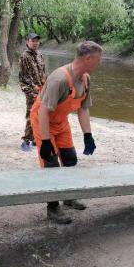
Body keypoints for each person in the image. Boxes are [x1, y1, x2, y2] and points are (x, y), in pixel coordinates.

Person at [30, 41, 102, 224]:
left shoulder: (85, 79)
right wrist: (45, 142)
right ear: (88, 58)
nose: (100, 63)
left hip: (61, 122)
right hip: (42, 121)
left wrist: (88, 135)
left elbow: (83, 109)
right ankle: (53, 208)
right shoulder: (59, 79)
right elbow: (43, 112)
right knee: (51, 165)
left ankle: (68, 196)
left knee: (70, 159)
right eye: (98, 59)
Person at [19, 33, 46, 152]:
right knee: (31, 113)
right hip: (30, 89)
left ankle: (35, 138)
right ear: (28, 42)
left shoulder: (40, 55)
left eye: (37, 41)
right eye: (33, 41)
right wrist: (34, 88)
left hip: (41, 89)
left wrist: (45, 85)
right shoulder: (25, 56)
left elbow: (43, 73)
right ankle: (26, 140)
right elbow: (24, 76)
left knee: (41, 113)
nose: (35, 43)